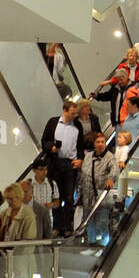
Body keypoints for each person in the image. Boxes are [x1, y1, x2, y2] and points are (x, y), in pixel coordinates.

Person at [41, 100, 85, 235]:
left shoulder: (77, 125)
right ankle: (57, 226)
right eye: (72, 114)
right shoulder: (53, 122)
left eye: (75, 114)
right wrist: (51, 147)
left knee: (69, 197)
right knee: (56, 196)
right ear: (64, 111)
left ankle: (67, 226)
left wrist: (80, 159)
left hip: (70, 164)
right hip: (55, 163)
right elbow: (44, 141)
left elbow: (80, 146)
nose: (74, 116)